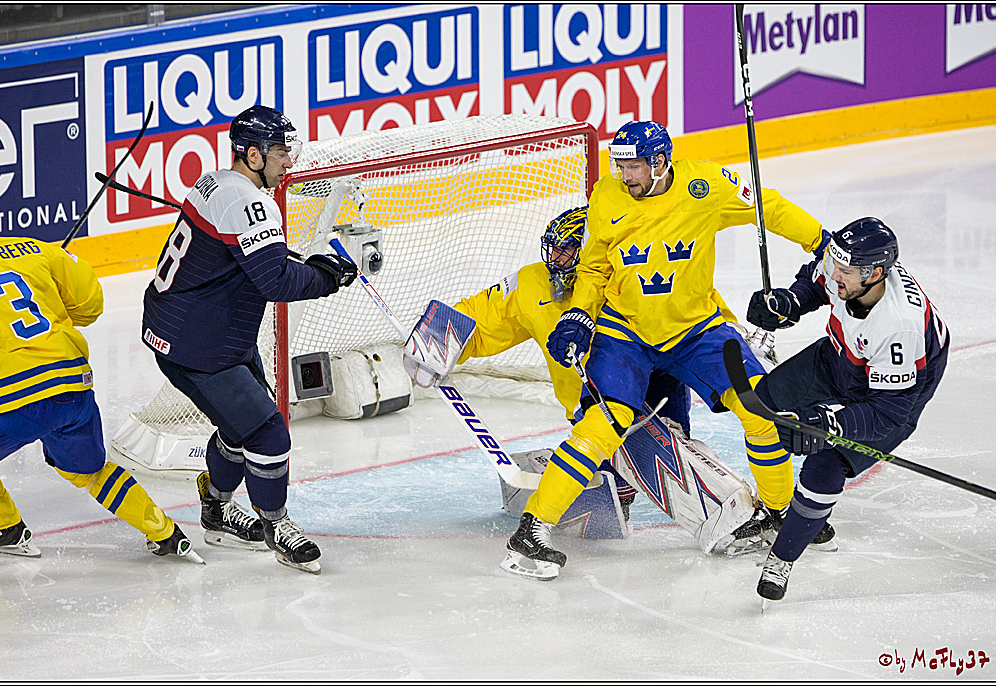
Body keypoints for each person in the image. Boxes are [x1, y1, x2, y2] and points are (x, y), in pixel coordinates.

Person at [502, 120, 830, 580]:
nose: (624, 175)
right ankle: (533, 528)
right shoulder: (606, 197)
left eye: (633, 166)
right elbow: (593, 269)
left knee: (761, 408)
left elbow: (767, 206)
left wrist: (820, 241)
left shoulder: (705, 185)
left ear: (660, 162)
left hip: (698, 328)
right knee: (604, 423)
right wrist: (578, 313)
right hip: (625, 332)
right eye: (619, 165)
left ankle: (779, 513)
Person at [402, 207, 764, 575]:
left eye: (566, 251)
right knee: (621, 466)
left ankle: (625, 488)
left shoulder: (632, 275)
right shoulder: (534, 285)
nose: (555, 260)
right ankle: (578, 493)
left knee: (670, 449)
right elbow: (481, 318)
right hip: (596, 401)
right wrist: (436, 340)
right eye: (554, 250)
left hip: (657, 383)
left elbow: (696, 307)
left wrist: (736, 339)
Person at [140, 105, 358, 574]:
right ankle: (276, 524)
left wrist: (293, 259)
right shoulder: (250, 203)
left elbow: (240, 256)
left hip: (200, 328)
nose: (288, 162)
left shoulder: (214, 182)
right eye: (280, 152)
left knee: (241, 426)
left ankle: (217, 509)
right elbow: (275, 281)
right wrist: (329, 277)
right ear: (252, 155)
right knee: (266, 431)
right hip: (198, 344)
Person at [746, 217, 949, 607]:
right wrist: (790, 303)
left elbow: (887, 412)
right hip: (841, 356)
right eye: (835, 263)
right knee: (765, 401)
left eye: (845, 270)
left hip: (896, 394)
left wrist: (832, 423)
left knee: (824, 466)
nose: (834, 273)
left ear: (875, 274)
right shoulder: (850, 267)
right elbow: (816, 282)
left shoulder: (899, 326)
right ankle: (810, 519)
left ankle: (783, 557)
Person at [0, 236, 200, 563]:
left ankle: (6, 528)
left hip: (8, 395)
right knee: (91, 472)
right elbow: (90, 306)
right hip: (71, 383)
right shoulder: (33, 247)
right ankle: (167, 534)